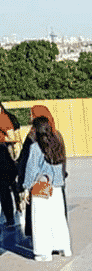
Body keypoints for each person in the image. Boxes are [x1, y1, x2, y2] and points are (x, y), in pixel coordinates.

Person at [20, 117, 71, 261]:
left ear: (36, 129)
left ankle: (44, 252)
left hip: (41, 186)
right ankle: (63, 247)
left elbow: (31, 169)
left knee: (41, 220)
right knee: (58, 217)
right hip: (56, 187)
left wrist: (26, 188)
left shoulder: (35, 147)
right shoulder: (57, 143)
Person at [0, 102, 19, 229]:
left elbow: (12, 137)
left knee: (4, 188)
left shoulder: (2, 118)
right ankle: (13, 216)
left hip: (3, 156)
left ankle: (12, 217)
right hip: (4, 155)